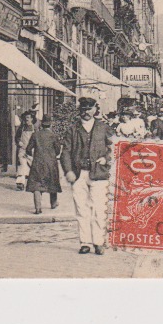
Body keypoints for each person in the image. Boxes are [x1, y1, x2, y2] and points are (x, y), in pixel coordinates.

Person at [60, 97, 115, 255]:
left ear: (95, 110)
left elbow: (114, 146)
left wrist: (106, 158)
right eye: (83, 109)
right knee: (81, 208)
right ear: (80, 110)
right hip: (79, 174)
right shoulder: (72, 129)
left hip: (99, 173)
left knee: (99, 209)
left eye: (89, 109)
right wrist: (68, 171)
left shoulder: (103, 128)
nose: (86, 112)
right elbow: (66, 152)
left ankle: (98, 242)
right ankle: (85, 242)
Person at [25, 115, 63, 214]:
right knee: (52, 182)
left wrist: (32, 156)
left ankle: (38, 208)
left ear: (41, 124)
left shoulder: (35, 135)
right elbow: (58, 151)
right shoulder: (54, 136)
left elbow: (28, 149)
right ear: (50, 124)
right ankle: (53, 203)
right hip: (51, 163)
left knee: (36, 185)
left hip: (38, 162)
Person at [14, 111, 36, 190]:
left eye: (28, 118)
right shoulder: (21, 127)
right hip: (22, 150)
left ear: (32, 119)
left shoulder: (35, 128)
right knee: (22, 165)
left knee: (34, 167)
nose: (26, 119)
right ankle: (20, 183)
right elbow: (17, 137)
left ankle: (34, 184)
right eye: (25, 118)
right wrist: (18, 141)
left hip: (32, 150)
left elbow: (37, 139)